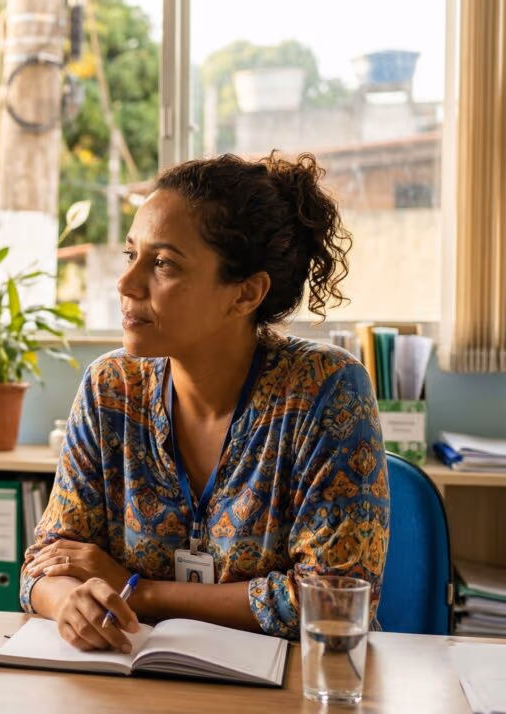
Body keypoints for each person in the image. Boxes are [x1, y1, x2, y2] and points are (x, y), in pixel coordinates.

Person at [20, 152, 389, 654]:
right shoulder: (111, 387)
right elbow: (45, 565)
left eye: (163, 263)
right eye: (132, 255)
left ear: (245, 294)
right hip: (132, 689)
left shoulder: (326, 390)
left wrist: (137, 590)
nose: (127, 284)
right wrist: (70, 603)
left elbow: (333, 601)